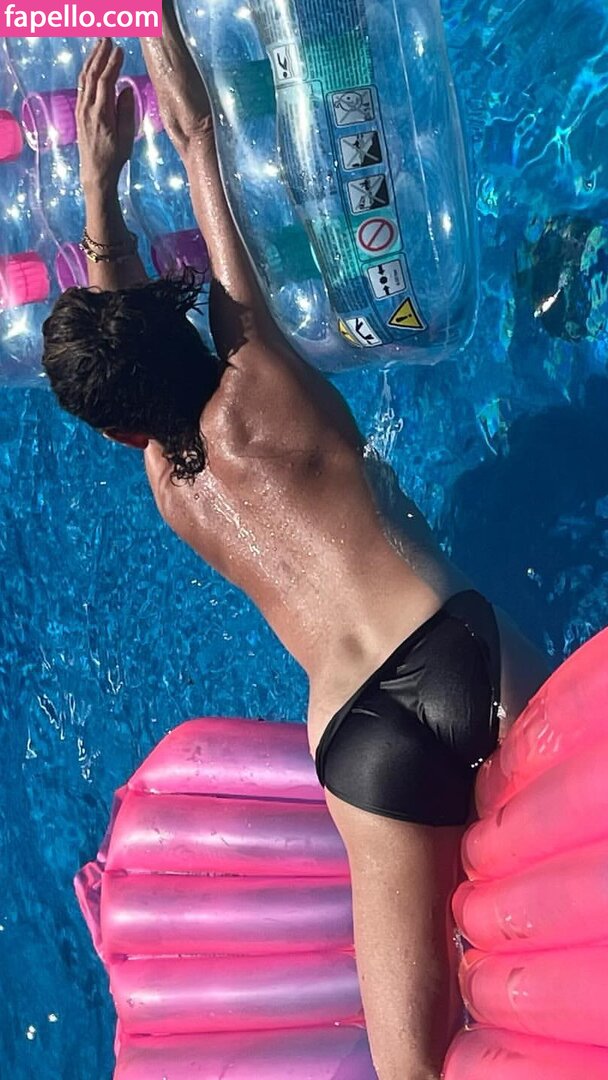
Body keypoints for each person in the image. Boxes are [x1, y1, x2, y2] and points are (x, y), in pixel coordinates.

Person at [41, 19, 549, 1080]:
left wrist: (96, 202)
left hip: (357, 742)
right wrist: (120, 149)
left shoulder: (167, 487)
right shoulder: (259, 375)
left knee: (412, 1068)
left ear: (118, 430)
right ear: (173, 319)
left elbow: (126, 361)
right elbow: (201, 151)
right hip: (448, 643)